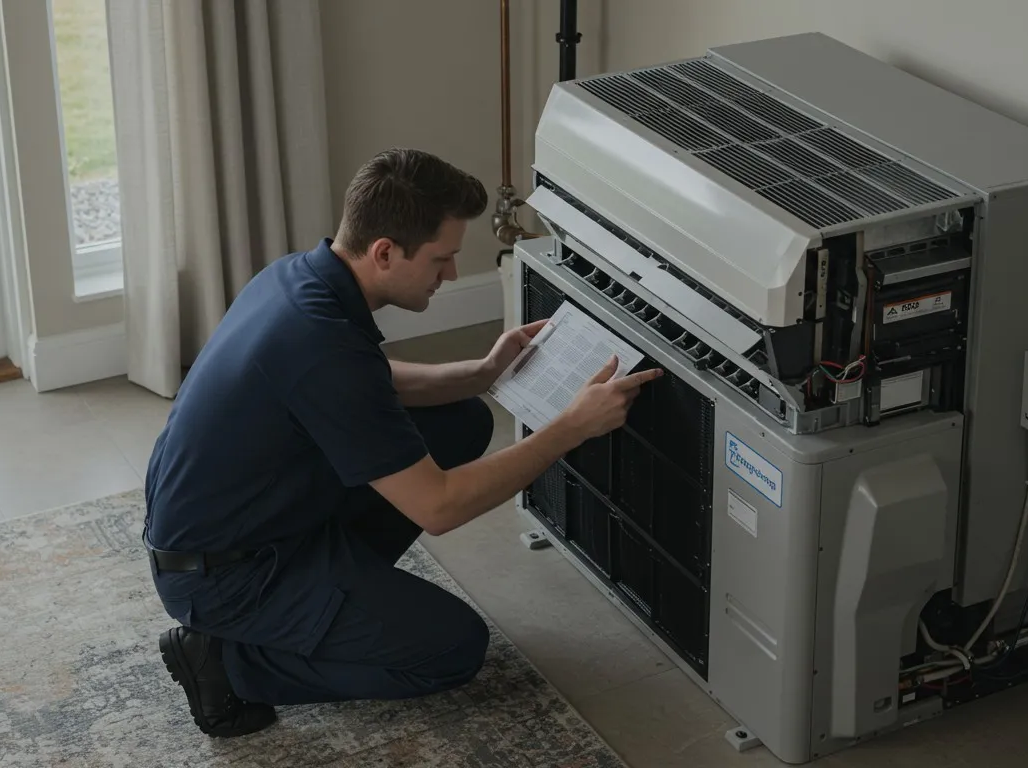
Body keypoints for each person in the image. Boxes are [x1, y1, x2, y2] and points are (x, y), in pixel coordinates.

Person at [142, 147, 663, 737]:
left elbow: (368, 382)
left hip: (241, 526)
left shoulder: (300, 280)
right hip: (224, 576)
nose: (451, 276)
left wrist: (483, 370)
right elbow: (438, 507)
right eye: (442, 259)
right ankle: (226, 660)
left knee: (462, 419)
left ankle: (339, 591)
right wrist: (569, 429)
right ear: (385, 252)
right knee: (450, 649)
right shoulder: (319, 344)